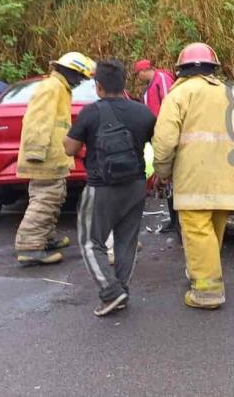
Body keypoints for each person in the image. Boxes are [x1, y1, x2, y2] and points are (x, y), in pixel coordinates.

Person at [152, 42, 234, 310]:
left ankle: (207, 292)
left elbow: (164, 142)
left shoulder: (179, 95)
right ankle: (199, 274)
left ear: (181, 70)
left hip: (193, 182)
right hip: (226, 181)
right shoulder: (232, 95)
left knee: (197, 234)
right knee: (212, 235)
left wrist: (162, 173)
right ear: (213, 69)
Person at [64, 60, 155, 317]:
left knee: (91, 242)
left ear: (98, 86)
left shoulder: (91, 112)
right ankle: (121, 290)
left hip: (101, 187)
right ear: (125, 83)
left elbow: (69, 148)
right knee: (126, 242)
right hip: (136, 185)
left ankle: (111, 292)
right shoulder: (143, 112)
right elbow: (159, 142)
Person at [14, 52, 94, 266]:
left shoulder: (59, 88)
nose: (80, 82)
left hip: (53, 157)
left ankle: (44, 239)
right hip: (44, 158)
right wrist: (35, 153)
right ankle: (30, 247)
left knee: (53, 197)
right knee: (44, 200)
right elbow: (37, 121)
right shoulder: (52, 87)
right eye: (79, 77)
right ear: (70, 71)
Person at [133, 59, 178, 233]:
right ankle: (173, 221)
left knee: (170, 177)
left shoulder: (162, 80)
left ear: (144, 71)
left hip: (165, 136)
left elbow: (169, 105)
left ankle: (177, 222)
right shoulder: (151, 85)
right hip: (157, 137)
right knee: (165, 180)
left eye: (138, 74)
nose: (138, 77)